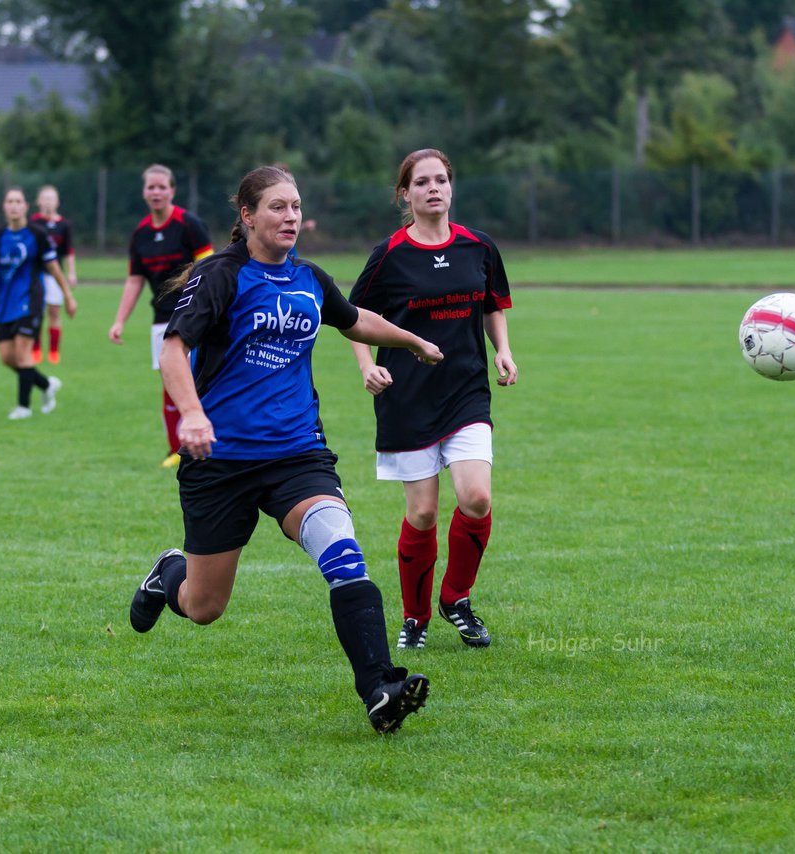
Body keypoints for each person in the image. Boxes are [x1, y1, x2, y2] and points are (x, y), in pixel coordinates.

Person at [128, 165, 444, 734]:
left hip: (298, 455)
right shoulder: (222, 275)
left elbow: (353, 320)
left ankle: (379, 686)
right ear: (247, 216)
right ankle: (166, 572)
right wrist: (193, 415)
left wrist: (412, 340)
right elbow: (174, 350)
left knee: (343, 554)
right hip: (220, 462)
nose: (290, 217)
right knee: (204, 607)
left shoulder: (309, 279)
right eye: (277, 207)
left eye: (296, 207)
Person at [347, 148, 518, 651]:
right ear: (405, 194)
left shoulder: (478, 248)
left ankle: (456, 599)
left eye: (441, 179)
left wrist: (503, 350)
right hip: (407, 398)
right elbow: (352, 316)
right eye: (421, 182)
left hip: (466, 391)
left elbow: (492, 307)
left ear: (452, 186)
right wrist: (367, 365)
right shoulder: (390, 254)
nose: (434, 188)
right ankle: (416, 616)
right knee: (422, 514)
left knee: (477, 497)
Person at [107, 164, 214, 467]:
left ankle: (211, 437)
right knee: (170, 383)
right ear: (144, 192)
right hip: (161, 319)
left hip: (194, 316)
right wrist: (119, 320)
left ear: (172, 190)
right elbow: (134, 280)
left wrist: (206, 309)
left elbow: (210, 269)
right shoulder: (140, 233)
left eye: (161, 187)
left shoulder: (189, 224)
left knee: (201, 377)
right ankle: (176, 450)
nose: (155, 192)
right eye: (150, 187)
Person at [0, 186, 76, 420]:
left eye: (17, 201)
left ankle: (23, 406)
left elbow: (54, 267)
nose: (13, 205)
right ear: (4, 206)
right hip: (4, 304)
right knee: (7, 358)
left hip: (30, 300)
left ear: (25, 206)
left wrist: (68, 296)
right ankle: (46, 384)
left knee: (23, 355)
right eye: (9, 201)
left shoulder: (38, 235)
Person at [30, 184, 79, 365]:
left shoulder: (64, 225)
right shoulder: (33, 221)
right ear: (38, 201)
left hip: (55, 276)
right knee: (36, 312)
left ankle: (53, 351)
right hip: (37, 274)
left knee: (54, 312)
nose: (48, 202)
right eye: (45, 198)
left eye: (52, 198)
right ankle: (35, 349)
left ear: (57, 202)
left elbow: (68, 251)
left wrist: (72, 273)